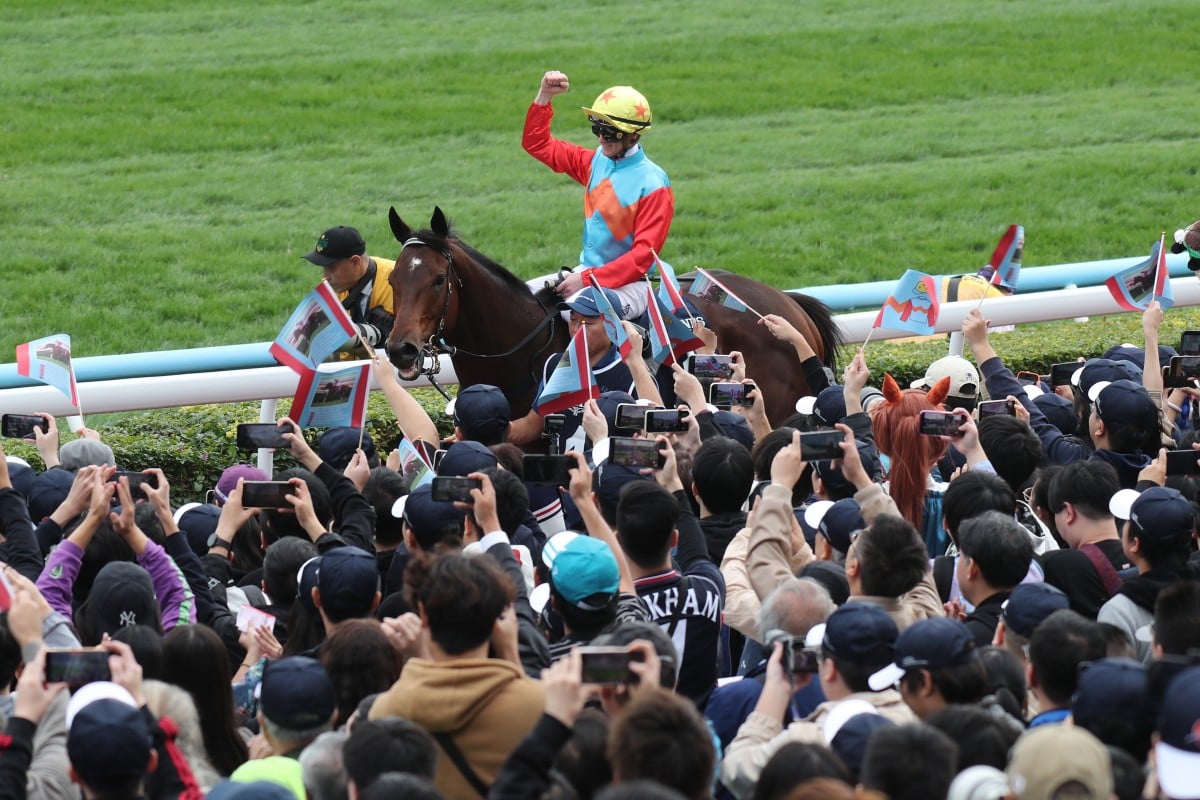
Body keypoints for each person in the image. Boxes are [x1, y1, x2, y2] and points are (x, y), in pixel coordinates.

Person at [522, 70, 673, 321]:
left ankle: (637, 355)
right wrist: (544, 96)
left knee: (575, 315)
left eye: (610, 132)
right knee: (521, 300)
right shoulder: (596, 161)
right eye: (597, 129)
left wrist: (585, 279)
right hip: (589, 273)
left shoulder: (654, 184)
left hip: (632, 285)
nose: (601, 138)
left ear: (633, 134)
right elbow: (537, 144)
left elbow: (641, 258)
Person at [301, 225, 396, 348]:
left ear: (355, 262)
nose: (325, 276)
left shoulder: (400, 281)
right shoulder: (332, 286)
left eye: (331, 268)